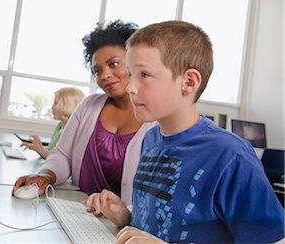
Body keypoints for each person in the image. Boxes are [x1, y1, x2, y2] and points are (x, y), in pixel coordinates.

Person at [85, 20, 285, 243]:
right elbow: (158, 227)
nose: (131, 87)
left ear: (188, 82)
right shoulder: (150, 139)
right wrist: (124, 216)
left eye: (144, 75)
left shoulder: (230, 155)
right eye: (130, 74)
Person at [13, 20, 156, 205]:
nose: (104, 75)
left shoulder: (158, 119)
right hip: (78, 213)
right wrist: (45, 175)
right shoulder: (90, 105)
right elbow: (63, 155)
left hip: (126, 227)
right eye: (97, 70)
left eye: (113, 64)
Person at [20, 87, 85, 159]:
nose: (52, 107)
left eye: (55, 103)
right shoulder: (60, 126)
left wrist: (41, 150)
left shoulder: (72, 131)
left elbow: (58, 159)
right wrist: (37, 148)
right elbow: (53, 150)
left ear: (67, 106)